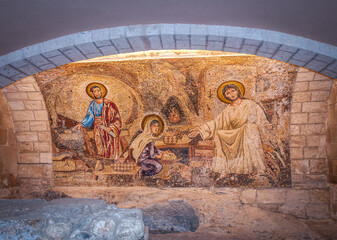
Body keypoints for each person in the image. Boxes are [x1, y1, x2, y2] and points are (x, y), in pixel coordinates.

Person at [188, 81, 268, 177]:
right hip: (236, 133)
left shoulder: (250, 104)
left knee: (249, 130)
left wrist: (265, 124)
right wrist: (200, 129)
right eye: (228, 93)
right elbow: (217, 123)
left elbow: (261, 118)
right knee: (218, 133)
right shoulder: (228, 110)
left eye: (233, 91)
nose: (231, 94)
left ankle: (252, 169)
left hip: (249, 132)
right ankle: (227, 170)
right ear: (226, 97)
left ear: (238, 91)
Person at [74, 83, 122, 160]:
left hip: (107, 126)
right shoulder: (92, 104)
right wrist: (81, 124)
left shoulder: (109, 104)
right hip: (97, 127)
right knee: (99, 144)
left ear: (101, 92)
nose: (97, 93)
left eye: (98, 91)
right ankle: (103, 160)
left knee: (109, 143)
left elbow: (117, 118)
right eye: (95, 91)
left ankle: (110, 160)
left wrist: (111, 127)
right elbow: (90, 116)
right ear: (92, 93)